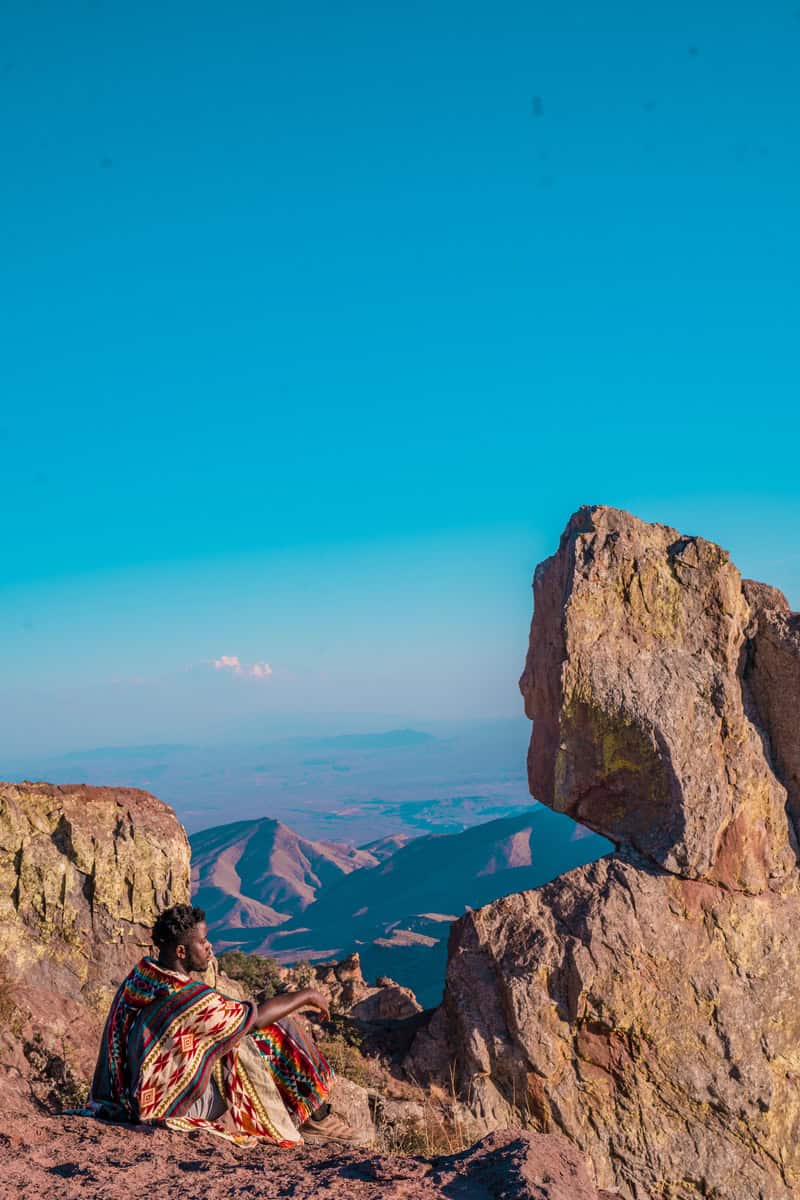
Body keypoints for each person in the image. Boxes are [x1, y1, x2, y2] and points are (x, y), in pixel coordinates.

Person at [85, 904, 355, 1145]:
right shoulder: (186, 999)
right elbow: (255, 1019)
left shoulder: (144, 976)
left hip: (128, 1099)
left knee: (235, 1030)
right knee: (269, 1030)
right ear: (181, 951)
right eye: (203, 942)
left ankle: (312, 1115)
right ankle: (314, 1117)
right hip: (170, 1108)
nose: (210, 947)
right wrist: (307, 995)